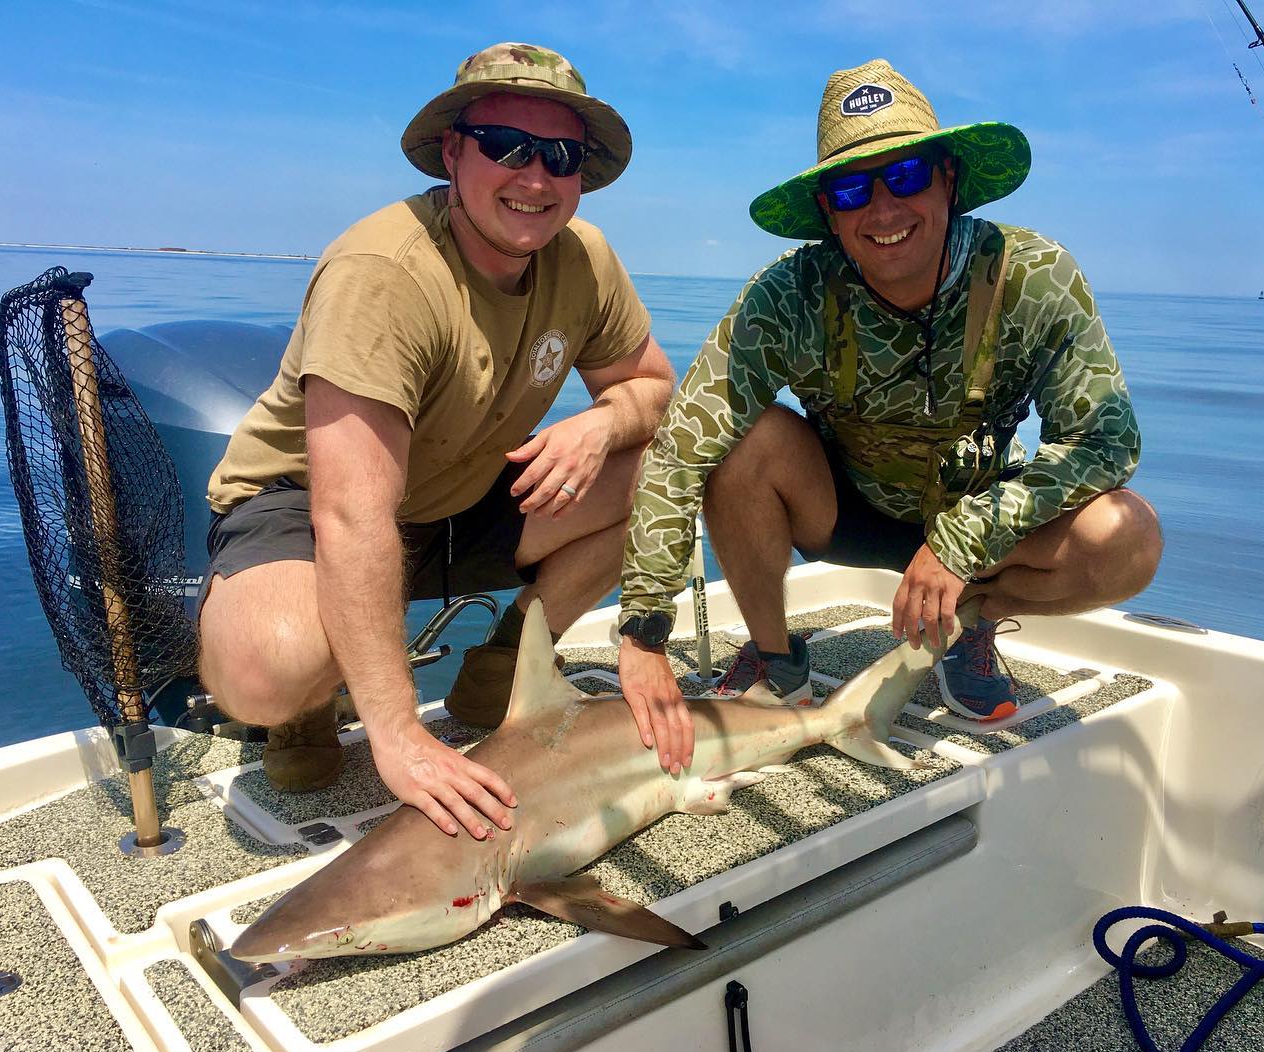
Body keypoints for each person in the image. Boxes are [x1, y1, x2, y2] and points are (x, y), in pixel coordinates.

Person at [616, 59, 1162, 775]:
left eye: (905, 176)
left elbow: (1106, 441)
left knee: (1128, 537)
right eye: (851, 189)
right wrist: (644, 633)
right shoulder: (787, 296)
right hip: (843, 510)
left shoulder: (1034, 276)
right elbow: (681, 446)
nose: (882, 209)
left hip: (980, 528)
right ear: (829, 216)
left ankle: (971, 626)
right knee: (742, 438)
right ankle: (778, 658)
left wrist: (964, 540)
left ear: (950, 181)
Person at [197, 43, 675, 839]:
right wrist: (397, 735)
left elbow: (653, 389)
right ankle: (309, 704)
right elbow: (352, 514)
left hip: (465, 486)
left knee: (672, 473)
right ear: (453, 152)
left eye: (561, 157)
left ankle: (507, 667)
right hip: (307, 500)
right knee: (266, 669)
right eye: (506, 146)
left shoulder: (586, 262)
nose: (534, 177)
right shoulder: (384, 273)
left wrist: (600, 423)